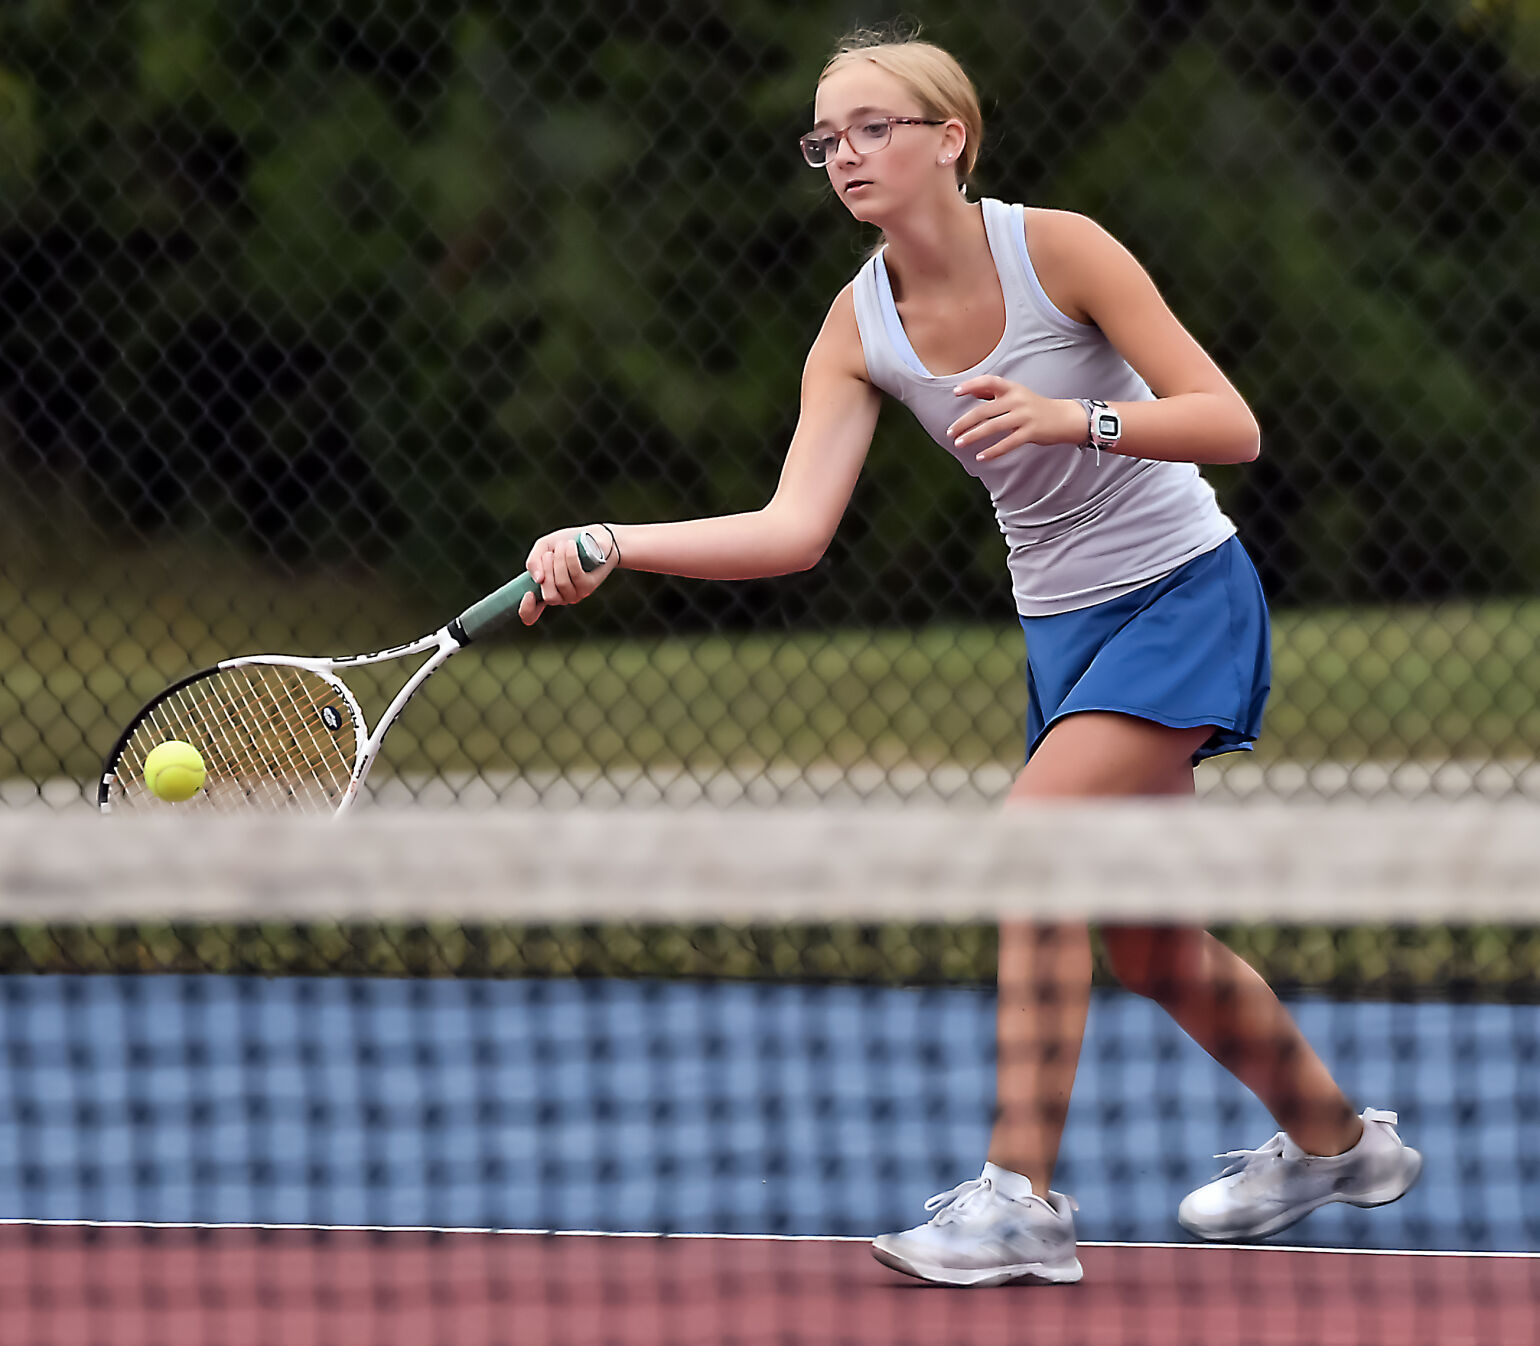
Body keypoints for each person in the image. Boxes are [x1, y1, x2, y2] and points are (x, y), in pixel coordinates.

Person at [517, 31, 1423, 1287]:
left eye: (873, 126)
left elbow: (1230, 423)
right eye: (825, 138)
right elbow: (793, 529)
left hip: (1182, 597)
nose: (845, 154)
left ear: (951, 137)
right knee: (1150, 945)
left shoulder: (1059, 249)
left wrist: (1075, 416)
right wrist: (616, 539)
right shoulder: (856, 325)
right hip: (1062, 633)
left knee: (1028, 842)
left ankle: (1018, 1202)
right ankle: (1339, 1145)